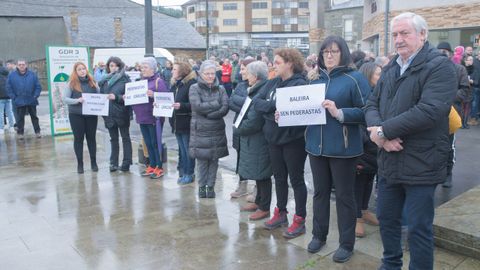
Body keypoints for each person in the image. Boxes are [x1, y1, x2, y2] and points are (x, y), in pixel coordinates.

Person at [365, 13, 456, 270]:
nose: (398, 39)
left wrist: (382, 132)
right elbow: (372, 103)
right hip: (389, 160)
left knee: (418, 228)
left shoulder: (439, 66)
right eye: (395, 34)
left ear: (423, 34)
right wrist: (381, 138)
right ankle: (390, 265)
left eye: (405, 33)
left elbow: (430, 110)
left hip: (421, 163)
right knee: (387, 219)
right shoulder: (393, 66)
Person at [305, 36, 370, 263]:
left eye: (334, 51)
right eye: (325, 52)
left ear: (343, 53)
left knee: (344, 197)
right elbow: (303, 110)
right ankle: (318, 235)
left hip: (343, 149)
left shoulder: (355, 78)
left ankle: (346, 243)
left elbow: (367, 111)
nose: (329, 56)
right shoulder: (313, 79)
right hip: (316, 146)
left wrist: (339, 112)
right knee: (320, 193)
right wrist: (284, 115)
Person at [254, 48, 308, 239]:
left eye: (277, 62)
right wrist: (275, 109)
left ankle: (300, 218)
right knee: (279, 178)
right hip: (273, 139)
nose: (273, 65)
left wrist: (279, 111)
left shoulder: (300, 84)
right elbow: (257, 102)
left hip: (293, 140)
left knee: (296, 179)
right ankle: (281, 212)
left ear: (289, 64)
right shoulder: (273, 82)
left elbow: (299, 110)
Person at [236, 61, 272, 220]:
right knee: (259, 173)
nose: (246, 77)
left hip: (259, 139)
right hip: (254, 139)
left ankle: (264, 206)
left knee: (263, 174)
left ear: (256, 77)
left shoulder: (260, 91)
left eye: (248, 74)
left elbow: (254, 120)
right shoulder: (256, 89)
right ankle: (258, 201)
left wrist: (239, 128)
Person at [189, 60, 229, 198]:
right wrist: (215, 104)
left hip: (217, 129)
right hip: (201, 130)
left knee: (214, 160)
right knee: (202, 161)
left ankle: (210, 186)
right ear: (201, 74)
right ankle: (201, 186)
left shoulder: (221, 88)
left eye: (212, 73)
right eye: (207, 74)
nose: (210, 76)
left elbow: (225, 108)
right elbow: (197, 106)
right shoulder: (194, 88)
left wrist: (210, 114)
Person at [355, 62, 382, 237]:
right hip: (364, 147)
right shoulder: (361, 95)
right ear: (368, 75)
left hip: (375, 147)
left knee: (368, 181)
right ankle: (356, 217)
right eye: (378, 74)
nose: (381, 77)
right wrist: (367, 140)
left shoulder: (380, 93)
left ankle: (364, 210)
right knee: (358, 184)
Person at [132, 57, 168, 179]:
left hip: (154, 118)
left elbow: (166, 98)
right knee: (148, 143)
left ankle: (159, 166)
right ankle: (152, 165)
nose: (143, 69)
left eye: (145, 67)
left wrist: (154, 95)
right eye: (142, 67)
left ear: (153, 69)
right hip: (142, 117)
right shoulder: (140, 82)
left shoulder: (159, 81)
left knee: (155, 143)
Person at [62, 62, 99, 174]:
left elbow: (99, 95)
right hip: (76, 115)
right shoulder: (71, 84)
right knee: (78, 139)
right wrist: (77, 100)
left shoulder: (92, 82)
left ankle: (93, 162)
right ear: (75, 71)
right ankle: (80, 164)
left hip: (91, 115)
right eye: (79, 69)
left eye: (84, 69)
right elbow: (65, 99)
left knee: (91, 138)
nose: (82, 71)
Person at [99, 56, 132, 172]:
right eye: (111, 65)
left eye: (116, 65)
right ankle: (113, 162)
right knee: (113, 139)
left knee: (125, 138)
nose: (113, 68)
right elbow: (101, 97)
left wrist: (117, 97)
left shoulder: (125, 79)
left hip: (122, 113)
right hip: (109, 114)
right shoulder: (104, 81)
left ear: (120, 66)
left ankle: (126, 162)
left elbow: (130, 97)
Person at [229, 57, 255, 198]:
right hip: (238, 126)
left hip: (251, 127)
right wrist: (246, 103)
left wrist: (245, 103)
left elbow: (254, 104)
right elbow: (230, 102)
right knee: (240, 157)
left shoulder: (258, 85)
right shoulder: (240, 85)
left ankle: (257, 188)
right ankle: (242, 186)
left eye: (243, 69)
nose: (240, 71)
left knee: (254, 157)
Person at [169, 61, 197, 185]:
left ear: (182, 71)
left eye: (174, 69)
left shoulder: (191, 84)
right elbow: (168, 99)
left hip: (186, 122)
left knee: (188, 151)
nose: (172, 71)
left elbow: (194, 104)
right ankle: (184, 172)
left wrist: (182, 105)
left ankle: (189, 173)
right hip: (176, 122)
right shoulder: (175, 84)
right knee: (182, 150)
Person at [6, 59, 42, 139]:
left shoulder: (32, 74)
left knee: (34, 117)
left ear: (26, 65)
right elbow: (9, 88)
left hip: (31, 99)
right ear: (17, 65)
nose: (21, 66)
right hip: (19, 100)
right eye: (20, 64)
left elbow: (38, 86)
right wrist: (14, 97)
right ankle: (20, 133)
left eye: (23, 64)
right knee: (20, 118)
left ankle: (37, 132)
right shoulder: (12, 75)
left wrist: (35, 96)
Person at [0, 60, 15, 134]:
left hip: (0, 96)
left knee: (1, 113)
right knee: (10, 112)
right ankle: (12, 127)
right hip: (8, 95)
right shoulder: (7, 71)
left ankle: (1, 128)